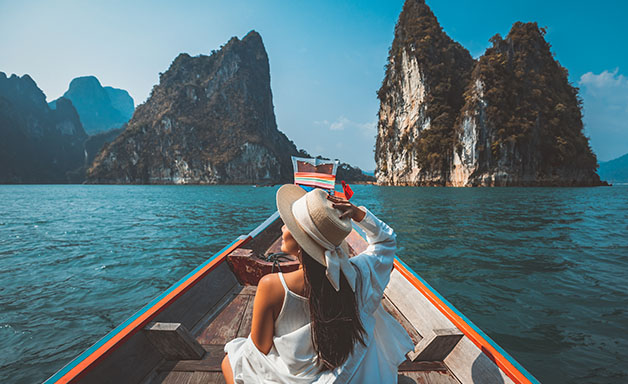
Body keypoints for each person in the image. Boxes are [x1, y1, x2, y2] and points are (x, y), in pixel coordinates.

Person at [221, 185, 414, 383]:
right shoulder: (357, 273)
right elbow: (386, 242)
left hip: (293, 377)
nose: (282, 228)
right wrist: (357, 213)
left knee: (231, 358)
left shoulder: (272, 285)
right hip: (340, 375)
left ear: (302, 238)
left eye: (288, 224)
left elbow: (260, 347)